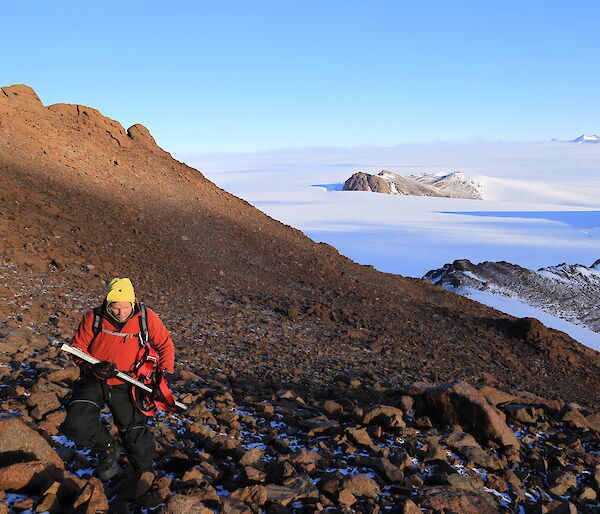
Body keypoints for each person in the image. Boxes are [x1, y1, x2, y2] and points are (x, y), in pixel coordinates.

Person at [60, 278, 175, 480]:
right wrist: (91, 367)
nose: (120, 312)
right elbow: (77, 348)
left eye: (124, 307)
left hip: (128, 383)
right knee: (76, 425)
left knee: (135, 437)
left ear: (133, 302)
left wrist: (163, 379)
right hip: (94, 379)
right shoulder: (93, 317)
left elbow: (165, 344)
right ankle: (108, 447)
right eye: (115, 308)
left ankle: (145, 478)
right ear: (107, 303)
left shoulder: (146, 318)